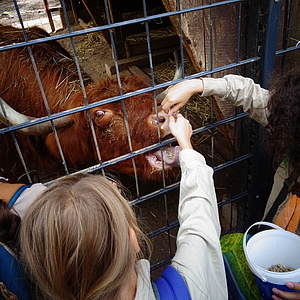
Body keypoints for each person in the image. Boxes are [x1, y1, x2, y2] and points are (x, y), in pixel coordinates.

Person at [1, 113, 228, 299]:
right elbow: (199, 225)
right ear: (133, 240)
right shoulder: (187, 289)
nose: (113, 185)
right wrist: (187, 148)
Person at [161, 72, 300, 300]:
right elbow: (249, 94)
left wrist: (186, 147)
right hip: (278, 218)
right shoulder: (291, 117)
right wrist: (196, 85)